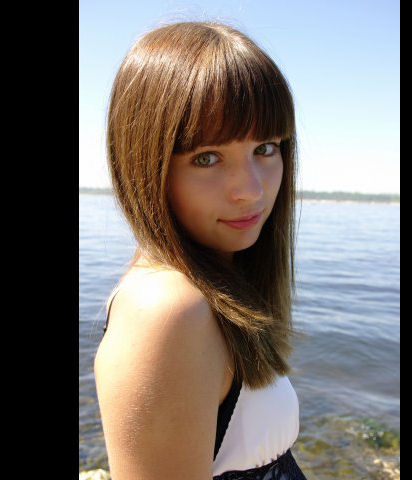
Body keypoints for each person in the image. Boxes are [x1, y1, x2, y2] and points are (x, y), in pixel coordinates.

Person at [94, 21, 308, 480]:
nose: (250, 191)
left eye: (266, 148)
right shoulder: (168, 312)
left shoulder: (206, 289)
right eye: (206, 158)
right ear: (145, 164)